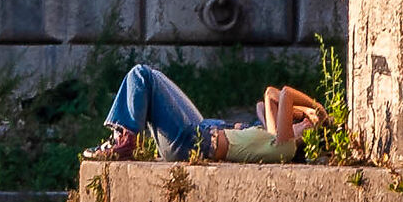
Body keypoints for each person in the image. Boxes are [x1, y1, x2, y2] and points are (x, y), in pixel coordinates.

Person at [88, 63, 327, 163]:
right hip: (200, 132)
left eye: (307, 126)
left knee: (142, 75)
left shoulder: (286, 146)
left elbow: (284, 93)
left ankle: (124, 140)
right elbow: (266, 101)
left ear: (304, 139)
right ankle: (125, 137)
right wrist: (300, 114)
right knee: (153, 75)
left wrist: (315, 109)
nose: (304, 122)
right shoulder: (274, 139)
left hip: (192, 142)